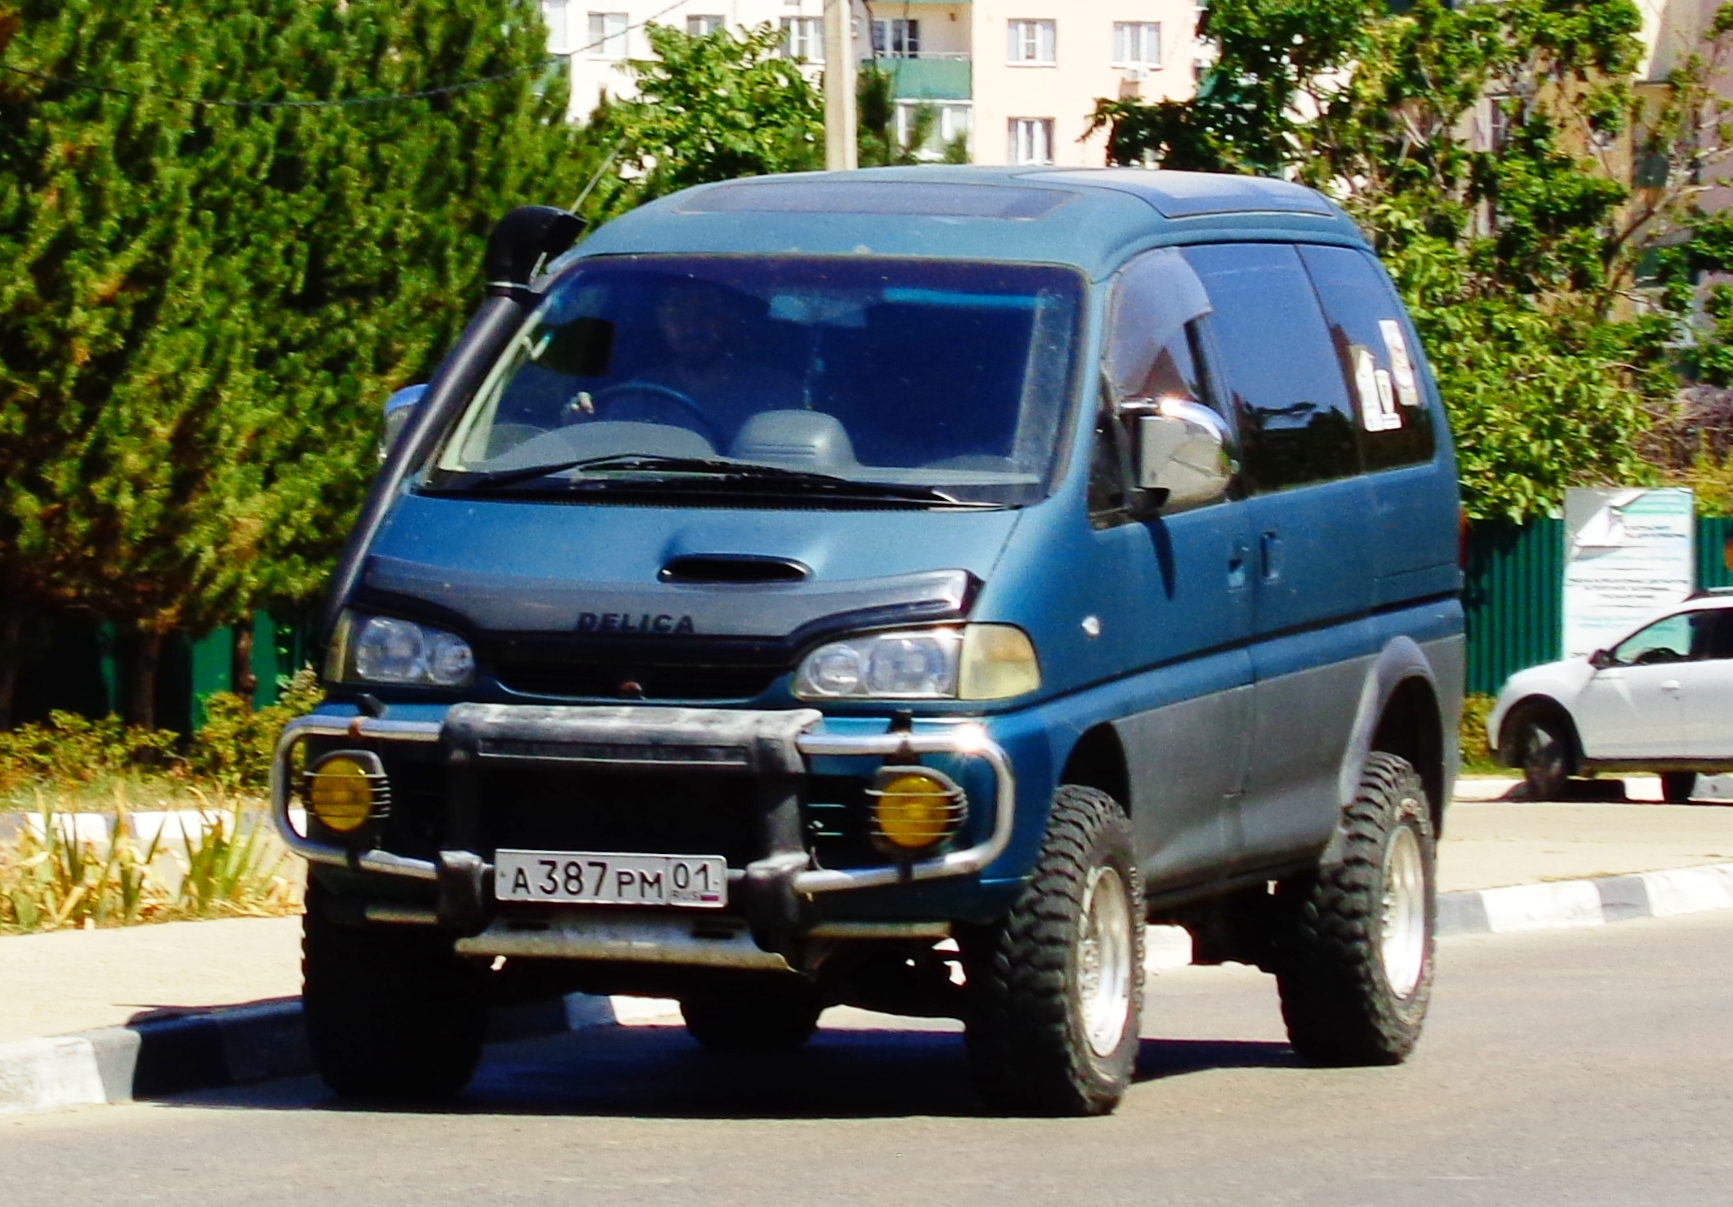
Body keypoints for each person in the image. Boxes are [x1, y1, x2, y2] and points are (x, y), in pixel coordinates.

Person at [593, 278, 803, 448]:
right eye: (678, 311)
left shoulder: (775, 395)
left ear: (729, 318)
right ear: (661, 320)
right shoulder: (637, 395)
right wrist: (580, 426)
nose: (692, 324)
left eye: (706, 311)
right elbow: (608, 459)